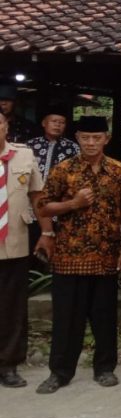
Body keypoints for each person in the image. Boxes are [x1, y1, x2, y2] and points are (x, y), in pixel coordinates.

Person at [36, 115, 121, 394]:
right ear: (77, 138)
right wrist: (72, 203)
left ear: (106, 139)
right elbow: (43, 207)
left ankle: (104, 369)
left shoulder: (119, 171)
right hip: (68, 256)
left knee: (104, 317)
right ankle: (59, 372)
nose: (91, 143)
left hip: (106, 255)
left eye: (96, 137)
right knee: (66, 318)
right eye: (85, 138)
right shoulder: (62, 170)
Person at [0, 112, 47, 388]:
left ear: (6, 127)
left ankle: (8, 364)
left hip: (14, 243)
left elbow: (37, 196)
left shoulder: (24, 156)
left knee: (12, 308)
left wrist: (48, 232)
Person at [27, 103, 79, 180]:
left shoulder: (72, 147)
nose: (57, 125)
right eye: (54, 121)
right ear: (44, 123)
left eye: (62, 122)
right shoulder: (31, 144)